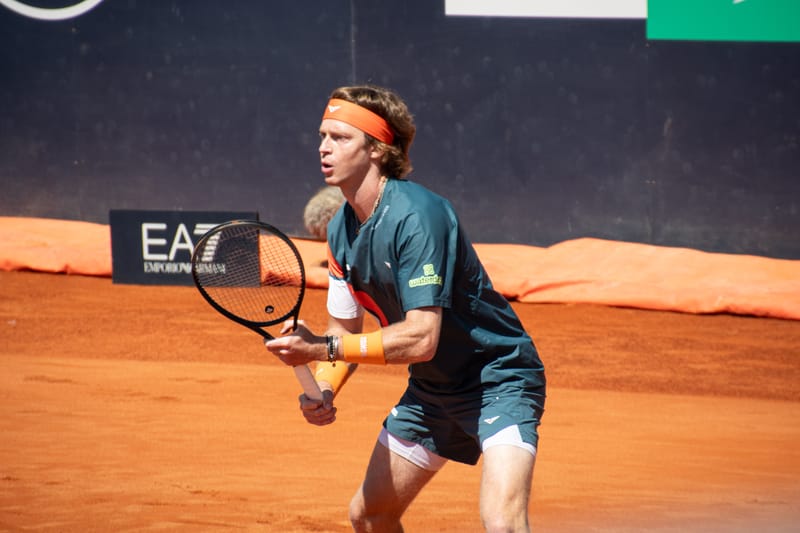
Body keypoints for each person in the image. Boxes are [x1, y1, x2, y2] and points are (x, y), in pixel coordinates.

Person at [265, 85, 546, 532]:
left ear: (377, 149)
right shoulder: (340, 230)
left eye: (340, 138)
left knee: (502, 523)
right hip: (432, 391)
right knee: (371, 516)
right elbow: (343, 326)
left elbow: (420, 337)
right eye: (322, 135)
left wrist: (321, 350)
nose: (323, 147)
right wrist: (325, 388)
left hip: (497, 378)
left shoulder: (418, 215)